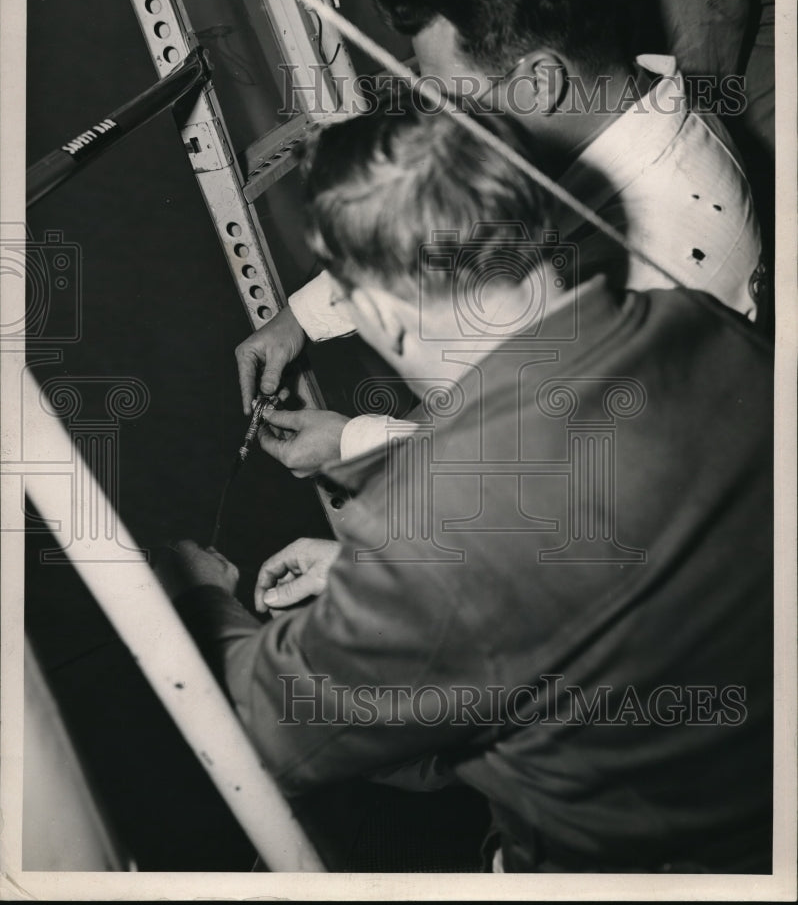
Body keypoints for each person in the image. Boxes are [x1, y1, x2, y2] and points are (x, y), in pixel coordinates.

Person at [161, 91, 773, 873]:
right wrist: (370, 578)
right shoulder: (699, 326)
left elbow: (268, 733)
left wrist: (197, 593)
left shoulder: (433, 525)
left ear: (381, 314)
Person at [234, 0, 767, 477]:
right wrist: (299, 318)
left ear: (540, 81)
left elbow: (558, 461)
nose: (444, 124)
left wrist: (355, 443)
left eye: (458, 101)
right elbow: (469, 219)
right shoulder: (611, 116)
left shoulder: (668, 260)